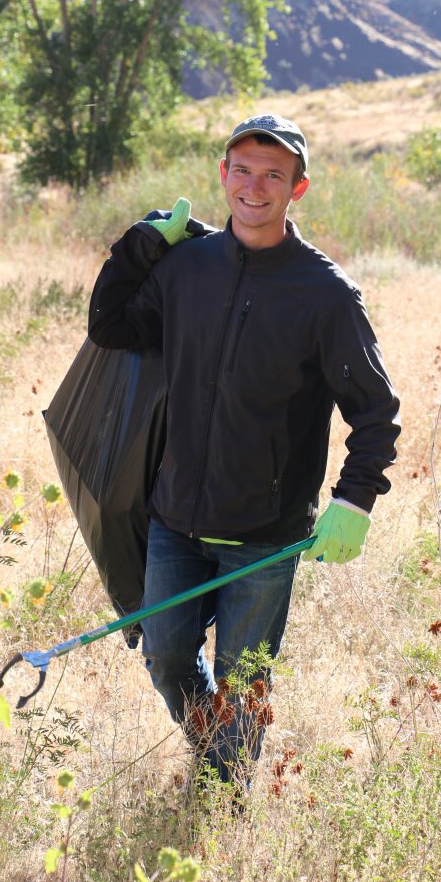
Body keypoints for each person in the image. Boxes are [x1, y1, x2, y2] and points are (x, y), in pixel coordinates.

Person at [87, 113, 400, 790]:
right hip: (174, 520)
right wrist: (139, 245)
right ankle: (215, 750)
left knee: (244, 675)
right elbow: (110, 326)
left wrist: (354, 500)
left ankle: (224, 800)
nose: (254, 186)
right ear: (222, 174)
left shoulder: (324, 294)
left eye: (273, 176)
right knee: (166, 656)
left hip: (264, 535)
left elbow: (375, 412)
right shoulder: (187, 268)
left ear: (298, 189)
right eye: (242, 170)